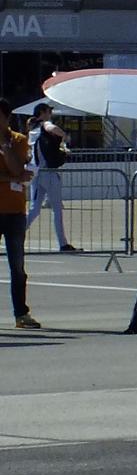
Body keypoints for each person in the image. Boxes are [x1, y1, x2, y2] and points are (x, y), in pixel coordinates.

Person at [23, 103, 77, 253]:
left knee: (34, 209)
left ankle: (15, 234)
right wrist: (65, 136)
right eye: (49, 111)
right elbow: (52, 128)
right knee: (57, 208)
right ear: (43, 112)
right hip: (49, 172)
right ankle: (63, 243)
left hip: (36, 172)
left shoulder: (32, 129)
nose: (50, 114)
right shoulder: (44, 125)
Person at [2, 117, 37, 328]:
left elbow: (18, 170)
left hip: (15, 212)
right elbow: (16, 175)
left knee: (17, 267)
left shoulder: (18, 140)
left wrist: (5, 147)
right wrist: (10, 178)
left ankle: (21, 314)